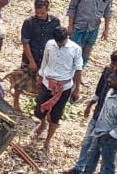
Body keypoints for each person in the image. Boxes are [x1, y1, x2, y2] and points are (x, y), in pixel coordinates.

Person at [65, 50, 117, 174]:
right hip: (98, 115)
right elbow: (99, 90)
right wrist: (90, 105)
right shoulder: (107, 71)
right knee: (87, 143)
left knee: (105, 152)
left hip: (110, 125)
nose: (111, 65)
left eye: (114, 63)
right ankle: (79, 168)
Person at [66, 67, 117, 174]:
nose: (109, 80)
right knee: (92, 155)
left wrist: (107, 135)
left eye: (113, 79)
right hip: (100, 131)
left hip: (110, 138)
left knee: (107, 164)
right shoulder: (111, 91)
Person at [32, 26, 84, 154]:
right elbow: (45, 61)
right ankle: (42, 122)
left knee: (56, 115)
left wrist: (77, 88)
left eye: (62, 42)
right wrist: (40, 75)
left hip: (64, 87)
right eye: (58, 42)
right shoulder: (50, 44)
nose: (59, 44)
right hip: (47, 82)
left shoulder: (75, 49)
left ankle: (48, 140)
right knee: (39, 109)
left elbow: (78, 69)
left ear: (67, 38)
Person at [7, 0, 61, 113]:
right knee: (21, 80)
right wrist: (31, 60)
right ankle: (16, 103)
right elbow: (25, 43)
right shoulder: (29, 22)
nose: (39, 15)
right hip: (31, 55)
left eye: (42, 13)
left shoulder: (55, 22)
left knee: (42, 83)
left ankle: (39, 107)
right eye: (37, 13)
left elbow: (57, 41)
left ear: (48, 9)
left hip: (46, 58)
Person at [66, 0, 113, 68]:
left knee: (86, 51)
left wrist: (106, 30)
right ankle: (70, 75)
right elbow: (72, 8)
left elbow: (108, 11)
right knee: (73, 51)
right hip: (78, 26)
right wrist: (70, 26)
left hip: (93, 28)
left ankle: (79, 74)